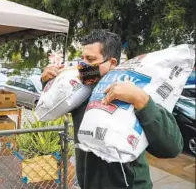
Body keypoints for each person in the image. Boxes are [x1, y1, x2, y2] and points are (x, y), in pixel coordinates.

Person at [41, 30, 183, 189]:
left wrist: (141, 100)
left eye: (90, 60)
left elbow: (172, 148)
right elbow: (52, 107)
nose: (83, 66)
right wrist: (47, 82)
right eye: (82, 59)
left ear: (113, 63)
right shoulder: (81, 89)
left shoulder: (135, 90)